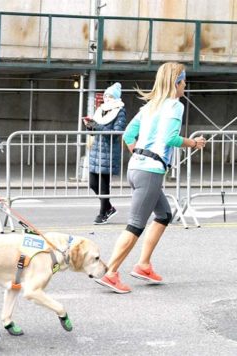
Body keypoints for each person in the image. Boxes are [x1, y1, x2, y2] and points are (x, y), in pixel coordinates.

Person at [95, 62, 206, 294]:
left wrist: (139, 154)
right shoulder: (175, 106)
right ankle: (110, 273)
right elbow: (170, 138)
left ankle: (143, 265)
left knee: (164, 215)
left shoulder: (150, 106)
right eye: (184, 81)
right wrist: (194, 143)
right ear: (176, 82)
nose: (185, 85)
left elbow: (128, 135)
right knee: (135, 225)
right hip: (150, 172)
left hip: (137, 169)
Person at [83, 82, 127, 224]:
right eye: (106, 95)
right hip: (97, 151)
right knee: (92, 183)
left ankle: (103, 213)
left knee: (103, 185)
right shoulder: (101, 110)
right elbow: (95, 131)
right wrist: (90, 126)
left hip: (109, 152)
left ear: (116, 97)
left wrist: (96, 126)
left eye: (110, 96)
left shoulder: (120, 111)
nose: (107, 98)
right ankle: (109, 207)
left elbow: (115, 133)